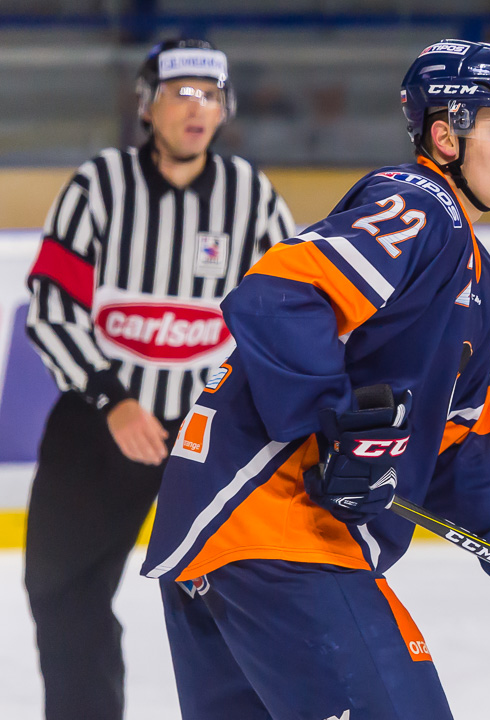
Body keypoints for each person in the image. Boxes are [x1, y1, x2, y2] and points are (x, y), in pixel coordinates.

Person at [140, 39, 490, 720]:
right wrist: (333, 426)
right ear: (446, 137)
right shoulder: (421, 206)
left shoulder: (474, 276)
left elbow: (459, 437)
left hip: (225, 541)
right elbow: (278, 295)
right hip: (277, 531)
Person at [22, 38, 294, 720]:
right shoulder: (99, 185)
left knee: (235, 595)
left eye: (212, 95)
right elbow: (52, 307)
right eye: (182, 93)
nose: (197, 108)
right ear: (147, 105)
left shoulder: (250, 195)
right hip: (100, 424)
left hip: (210, 433)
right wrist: (112, 399)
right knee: (61, 590)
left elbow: (289, 313)